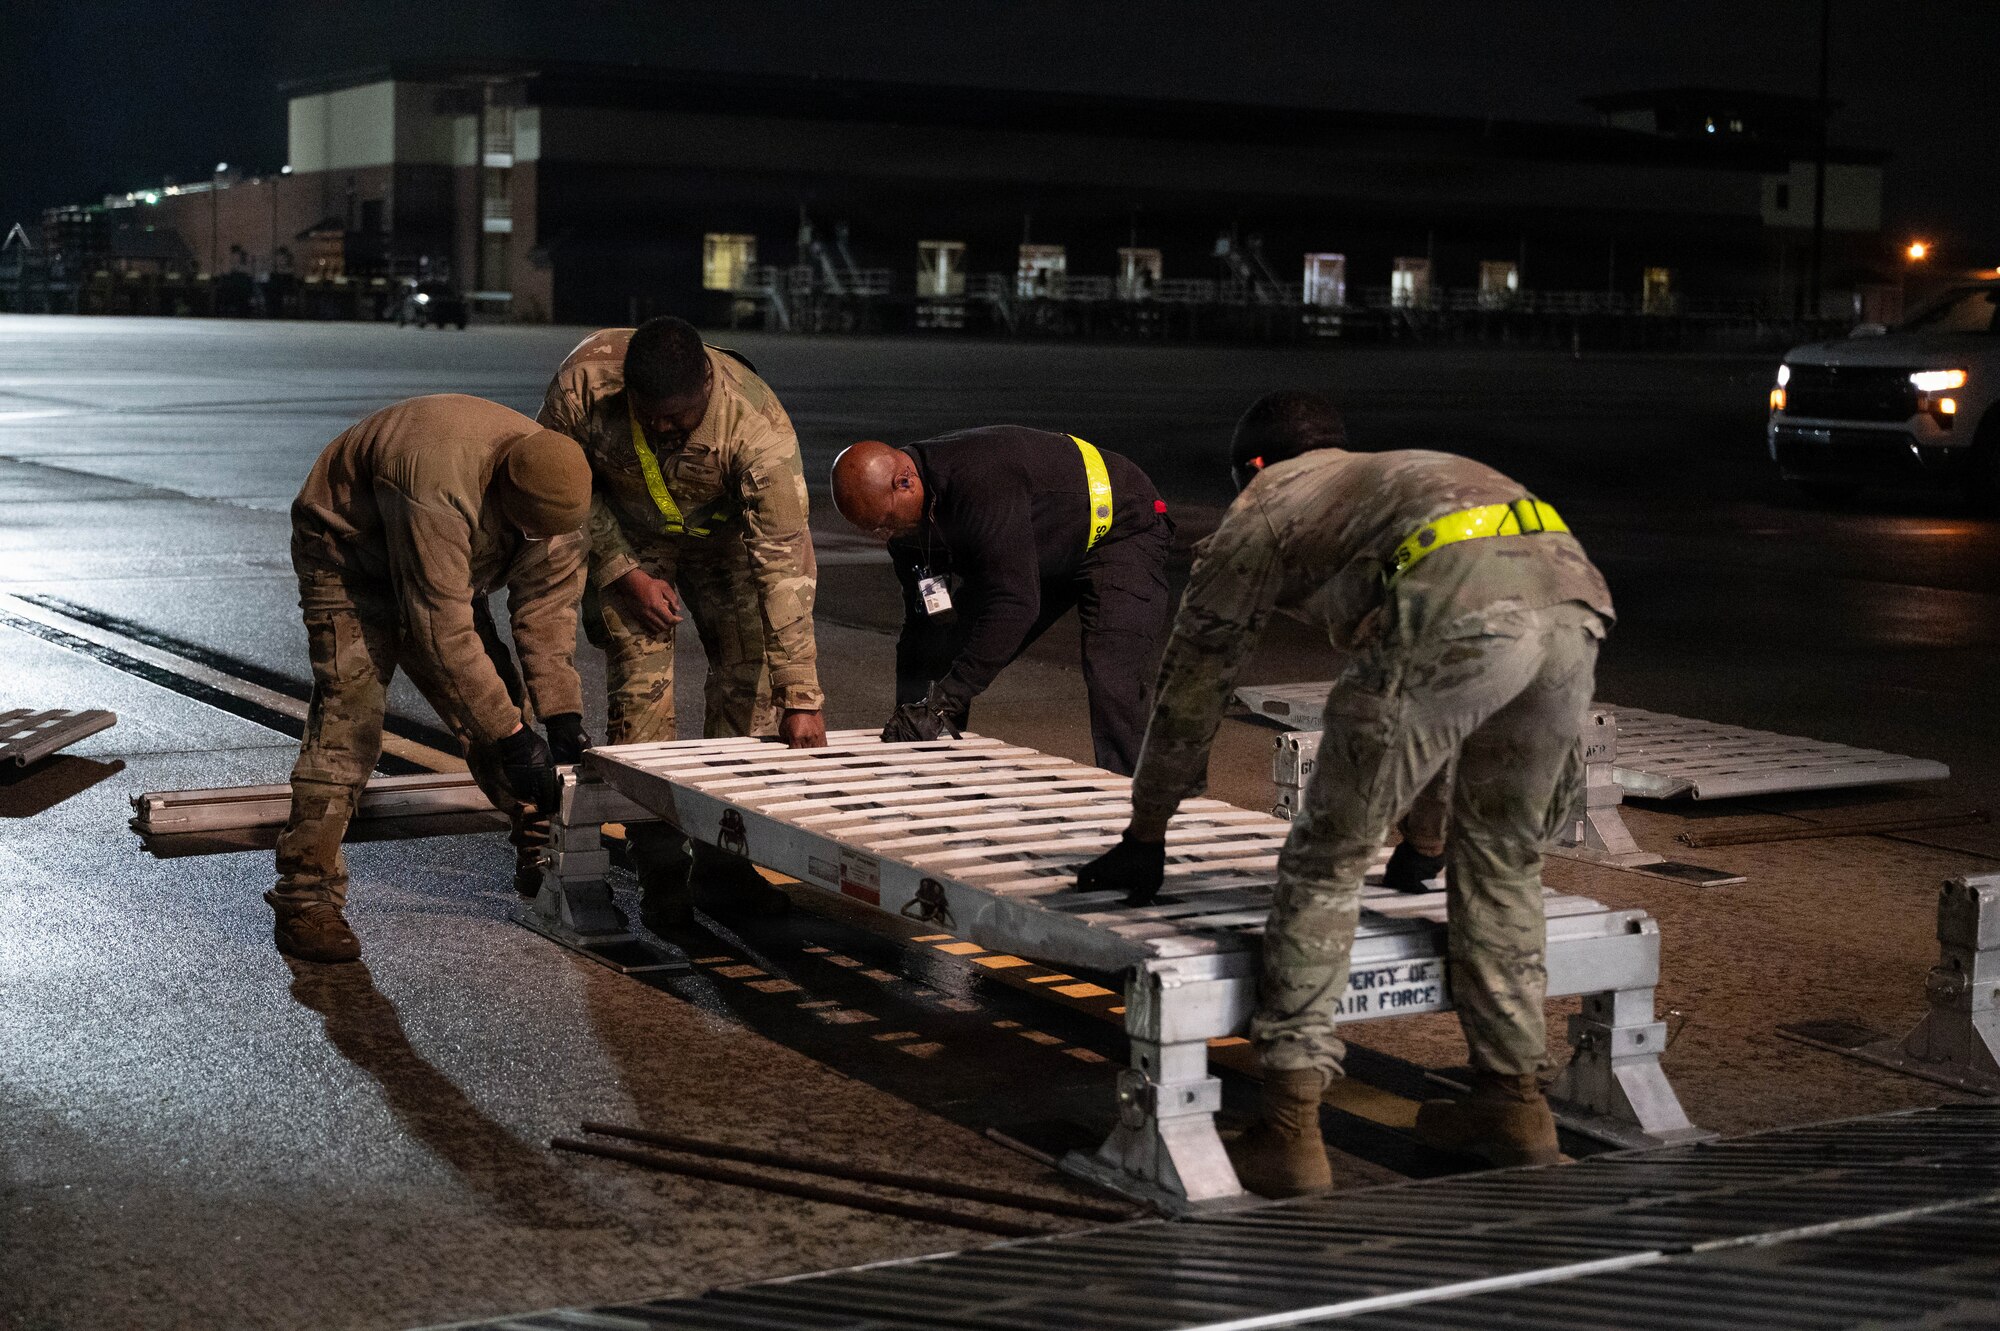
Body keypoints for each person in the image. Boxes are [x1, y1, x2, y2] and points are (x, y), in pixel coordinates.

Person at [1076, 389, 1612, 1197]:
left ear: (1251, 466)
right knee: (1502, 860)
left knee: (1325, 862)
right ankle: (1512, 1107)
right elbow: (1450, 703)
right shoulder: (1393, 479)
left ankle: (1288, 1133)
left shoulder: (1266, 502)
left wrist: (1146, 831)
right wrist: (1426, 842)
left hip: (1459, 607)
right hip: (1573, 601)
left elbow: (1194, 683)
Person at [271, 394, 594, 964]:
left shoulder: (562, 504)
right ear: (503, 496)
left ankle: (542, 851)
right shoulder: (437, 486)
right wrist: (514, 736)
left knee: (502, 704)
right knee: (351, 720)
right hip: (348, 554)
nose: (540, 545)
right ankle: (306, 897)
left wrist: (562, 716)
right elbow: (437, 630)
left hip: (445, 569)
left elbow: (546, 612)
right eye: (528, 532)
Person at [537, 317, 824, 924]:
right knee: (641, 694)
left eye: (680, 419)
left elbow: (784, 569)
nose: (665, 430)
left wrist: (801, 695)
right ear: (628, 393)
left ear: (707, 386)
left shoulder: (758, 430)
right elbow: (557, 486)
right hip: (629, 536)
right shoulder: (584, 386)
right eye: (652, 417)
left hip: (723, 544)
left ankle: (724, 861)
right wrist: (620, 571)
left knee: (751, 680)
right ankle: (660, 868)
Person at [829, 427, 1174, 775]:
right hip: (1043, 543)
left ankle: (1136, 801)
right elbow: (926, 625)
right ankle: (932, 768)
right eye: (876, 530)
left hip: (1122, 530)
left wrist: (943, 702)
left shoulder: (979, 481)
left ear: (905, 483)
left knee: (1111, 676)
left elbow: (1014, 606)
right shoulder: (907, 529)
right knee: (948, 643)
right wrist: (910, 708)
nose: (888, 535)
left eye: (887, 522)